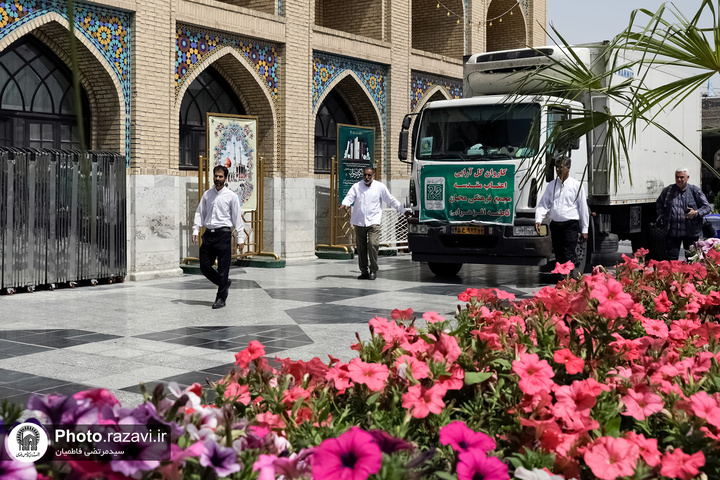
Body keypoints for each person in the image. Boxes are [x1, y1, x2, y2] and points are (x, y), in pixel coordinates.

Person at [342, 167, 410, 280]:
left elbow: (390, 199)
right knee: (361, 248)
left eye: (369, 175)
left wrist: (403, 210)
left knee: (373, 244)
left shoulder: (379, 187)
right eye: (365, 175)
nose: (367, 177)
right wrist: (345, 203)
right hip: (359, 221)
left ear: (373, 175)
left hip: (373, 221)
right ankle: (364, 271)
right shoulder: (356, 186)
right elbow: (350, 197)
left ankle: (373, 269)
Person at [192, 165, 245, 309]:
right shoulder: (207, 195)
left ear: (225, 178)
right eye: (216, 176)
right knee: (204, 266)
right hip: (209, 234)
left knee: (223, 269)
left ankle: (221, 298)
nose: (217, 179)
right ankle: (224, 282)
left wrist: (240, 238)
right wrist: (195, 230)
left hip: (223, 235)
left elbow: (237, 218)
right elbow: (199, 213)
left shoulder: (231, 196)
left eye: (220, 176)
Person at [534, 156, 589, 275]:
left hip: (570, 225)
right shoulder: (551, 185)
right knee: (559, 256)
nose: (558, 169)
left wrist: (585, 229)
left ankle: (566, 281)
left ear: (568, 168)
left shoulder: (576, 185)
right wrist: (538, 219)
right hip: (556, 225)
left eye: (561, 167)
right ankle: (563, 282)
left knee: (567, 255)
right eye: (556, 167)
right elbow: (543, 204)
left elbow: (583, 207)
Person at [656, 168, 711, 260]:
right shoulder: (668, 191)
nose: (679, 179)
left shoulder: (694, 190)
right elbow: (659, 203)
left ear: (687, 177)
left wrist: (696, 213)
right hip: (673, 233)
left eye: (682, 177)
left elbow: (707, 207)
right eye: (677, 177)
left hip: (691, 233)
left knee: (691, 260)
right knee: (672, 260)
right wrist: (663, 215)